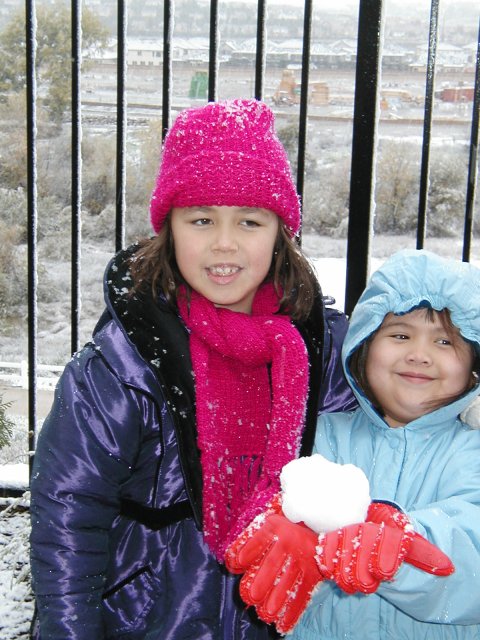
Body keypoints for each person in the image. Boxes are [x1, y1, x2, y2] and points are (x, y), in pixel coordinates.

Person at [29, 98, 356, 640]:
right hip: (149, 620)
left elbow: (395, 411)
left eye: (249, 221)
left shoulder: (318, 347)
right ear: (170, 228)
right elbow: (68, 513)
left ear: (280, 232)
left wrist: (462, 403)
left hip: (282, 616)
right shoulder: (123, 364)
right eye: (201, 219)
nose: (224, 243)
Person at [227, 248, 480, 640]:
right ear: (364, 346)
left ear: (472, 364)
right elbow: (263, 507)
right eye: (399, 335)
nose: (419, 355)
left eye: (445, 343)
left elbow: (471, 548)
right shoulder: (318, 436)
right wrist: (283, 536)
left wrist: (404, 544)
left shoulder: (472, 452)